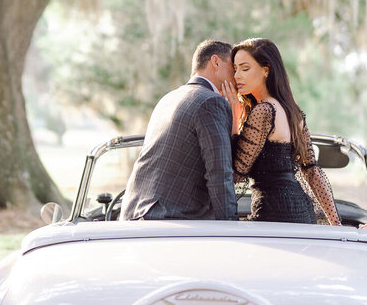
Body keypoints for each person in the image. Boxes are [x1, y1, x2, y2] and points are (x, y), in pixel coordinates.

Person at [222, 38, 341, 225]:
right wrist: (336, 223)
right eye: (235, 69)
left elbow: (237, 172)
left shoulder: (264, 111)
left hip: (274, 212)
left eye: (245, 69)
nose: (237, 76)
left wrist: (233, 115)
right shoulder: (293, 112)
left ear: (266, 70)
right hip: (303, 213)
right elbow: (312, 171)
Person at [120, 40, 239, 221]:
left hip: (133, 212)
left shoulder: (169, 98)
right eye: (234, 67)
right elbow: (219, 173)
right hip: (169, 218)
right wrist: (231, 226)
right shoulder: (210, 102)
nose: (237, 76)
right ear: (216, 62)